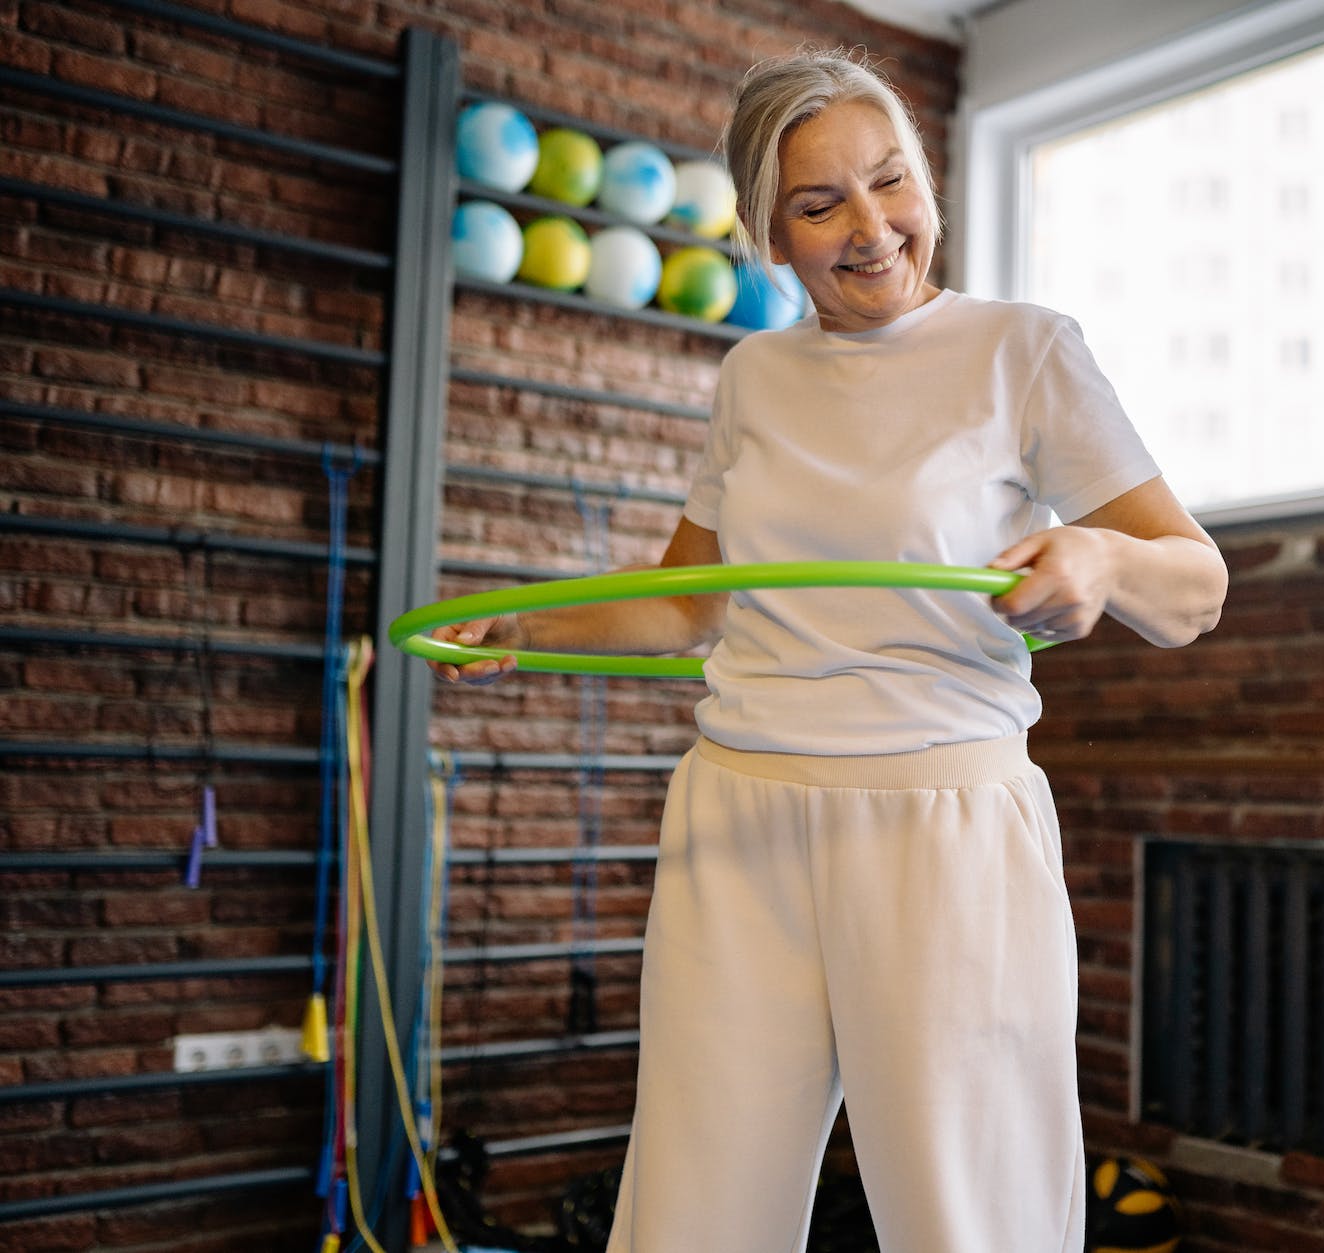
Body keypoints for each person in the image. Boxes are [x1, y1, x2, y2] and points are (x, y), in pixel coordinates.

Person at [429, 48, 1228, 1253]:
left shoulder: (1025, 349)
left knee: (972, 1216)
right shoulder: (753, 375)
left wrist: (1101, 563)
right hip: (738, 812)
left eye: (889, 181)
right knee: (692, 1212)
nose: (871, 229)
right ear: (769, 237)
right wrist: (522, 627)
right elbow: (691, 606)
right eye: (819, 205)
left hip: (936, 818)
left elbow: (1195, 587)